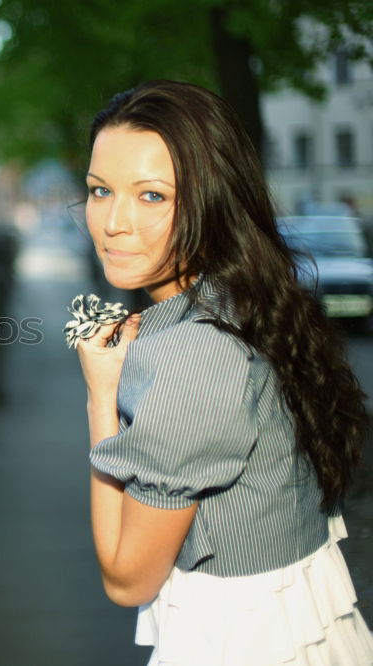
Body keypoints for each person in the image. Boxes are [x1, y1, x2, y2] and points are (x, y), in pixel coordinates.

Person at [71, 80, 373, 665]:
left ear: (213, 200)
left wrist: (99, 398)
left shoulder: (193, 355)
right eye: (100, 190)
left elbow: (126, 579)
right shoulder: (250, 299)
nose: (113, 222)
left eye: (152, 196)